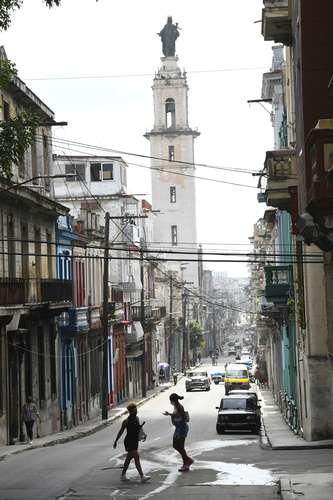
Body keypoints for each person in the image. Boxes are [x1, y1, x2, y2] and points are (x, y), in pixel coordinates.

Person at [113, 403, 151, 483]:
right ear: (130, 411)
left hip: (135, 441)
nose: (136, 411)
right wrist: (116, 441)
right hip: (129, 441)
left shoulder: (137, 418)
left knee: (128, 458)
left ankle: (123, 475)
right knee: (136, 456)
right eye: (134, 410)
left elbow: (139, 429)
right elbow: (121, 431)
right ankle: (142, 476)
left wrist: (143, 435)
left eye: (136, 410)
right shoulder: (126, 421)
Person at [163, 393, 193, 472]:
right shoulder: (176, 407)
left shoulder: (180, 407)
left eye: (171, 401)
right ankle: (187, 461)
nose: (170, 402)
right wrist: (170, 414)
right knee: (176, 445)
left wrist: (171, 415)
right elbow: (176, 415)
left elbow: (182, 418)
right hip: (178, 428)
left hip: (182, 428)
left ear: (173, 400)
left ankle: (186, 463)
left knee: (180, 446)